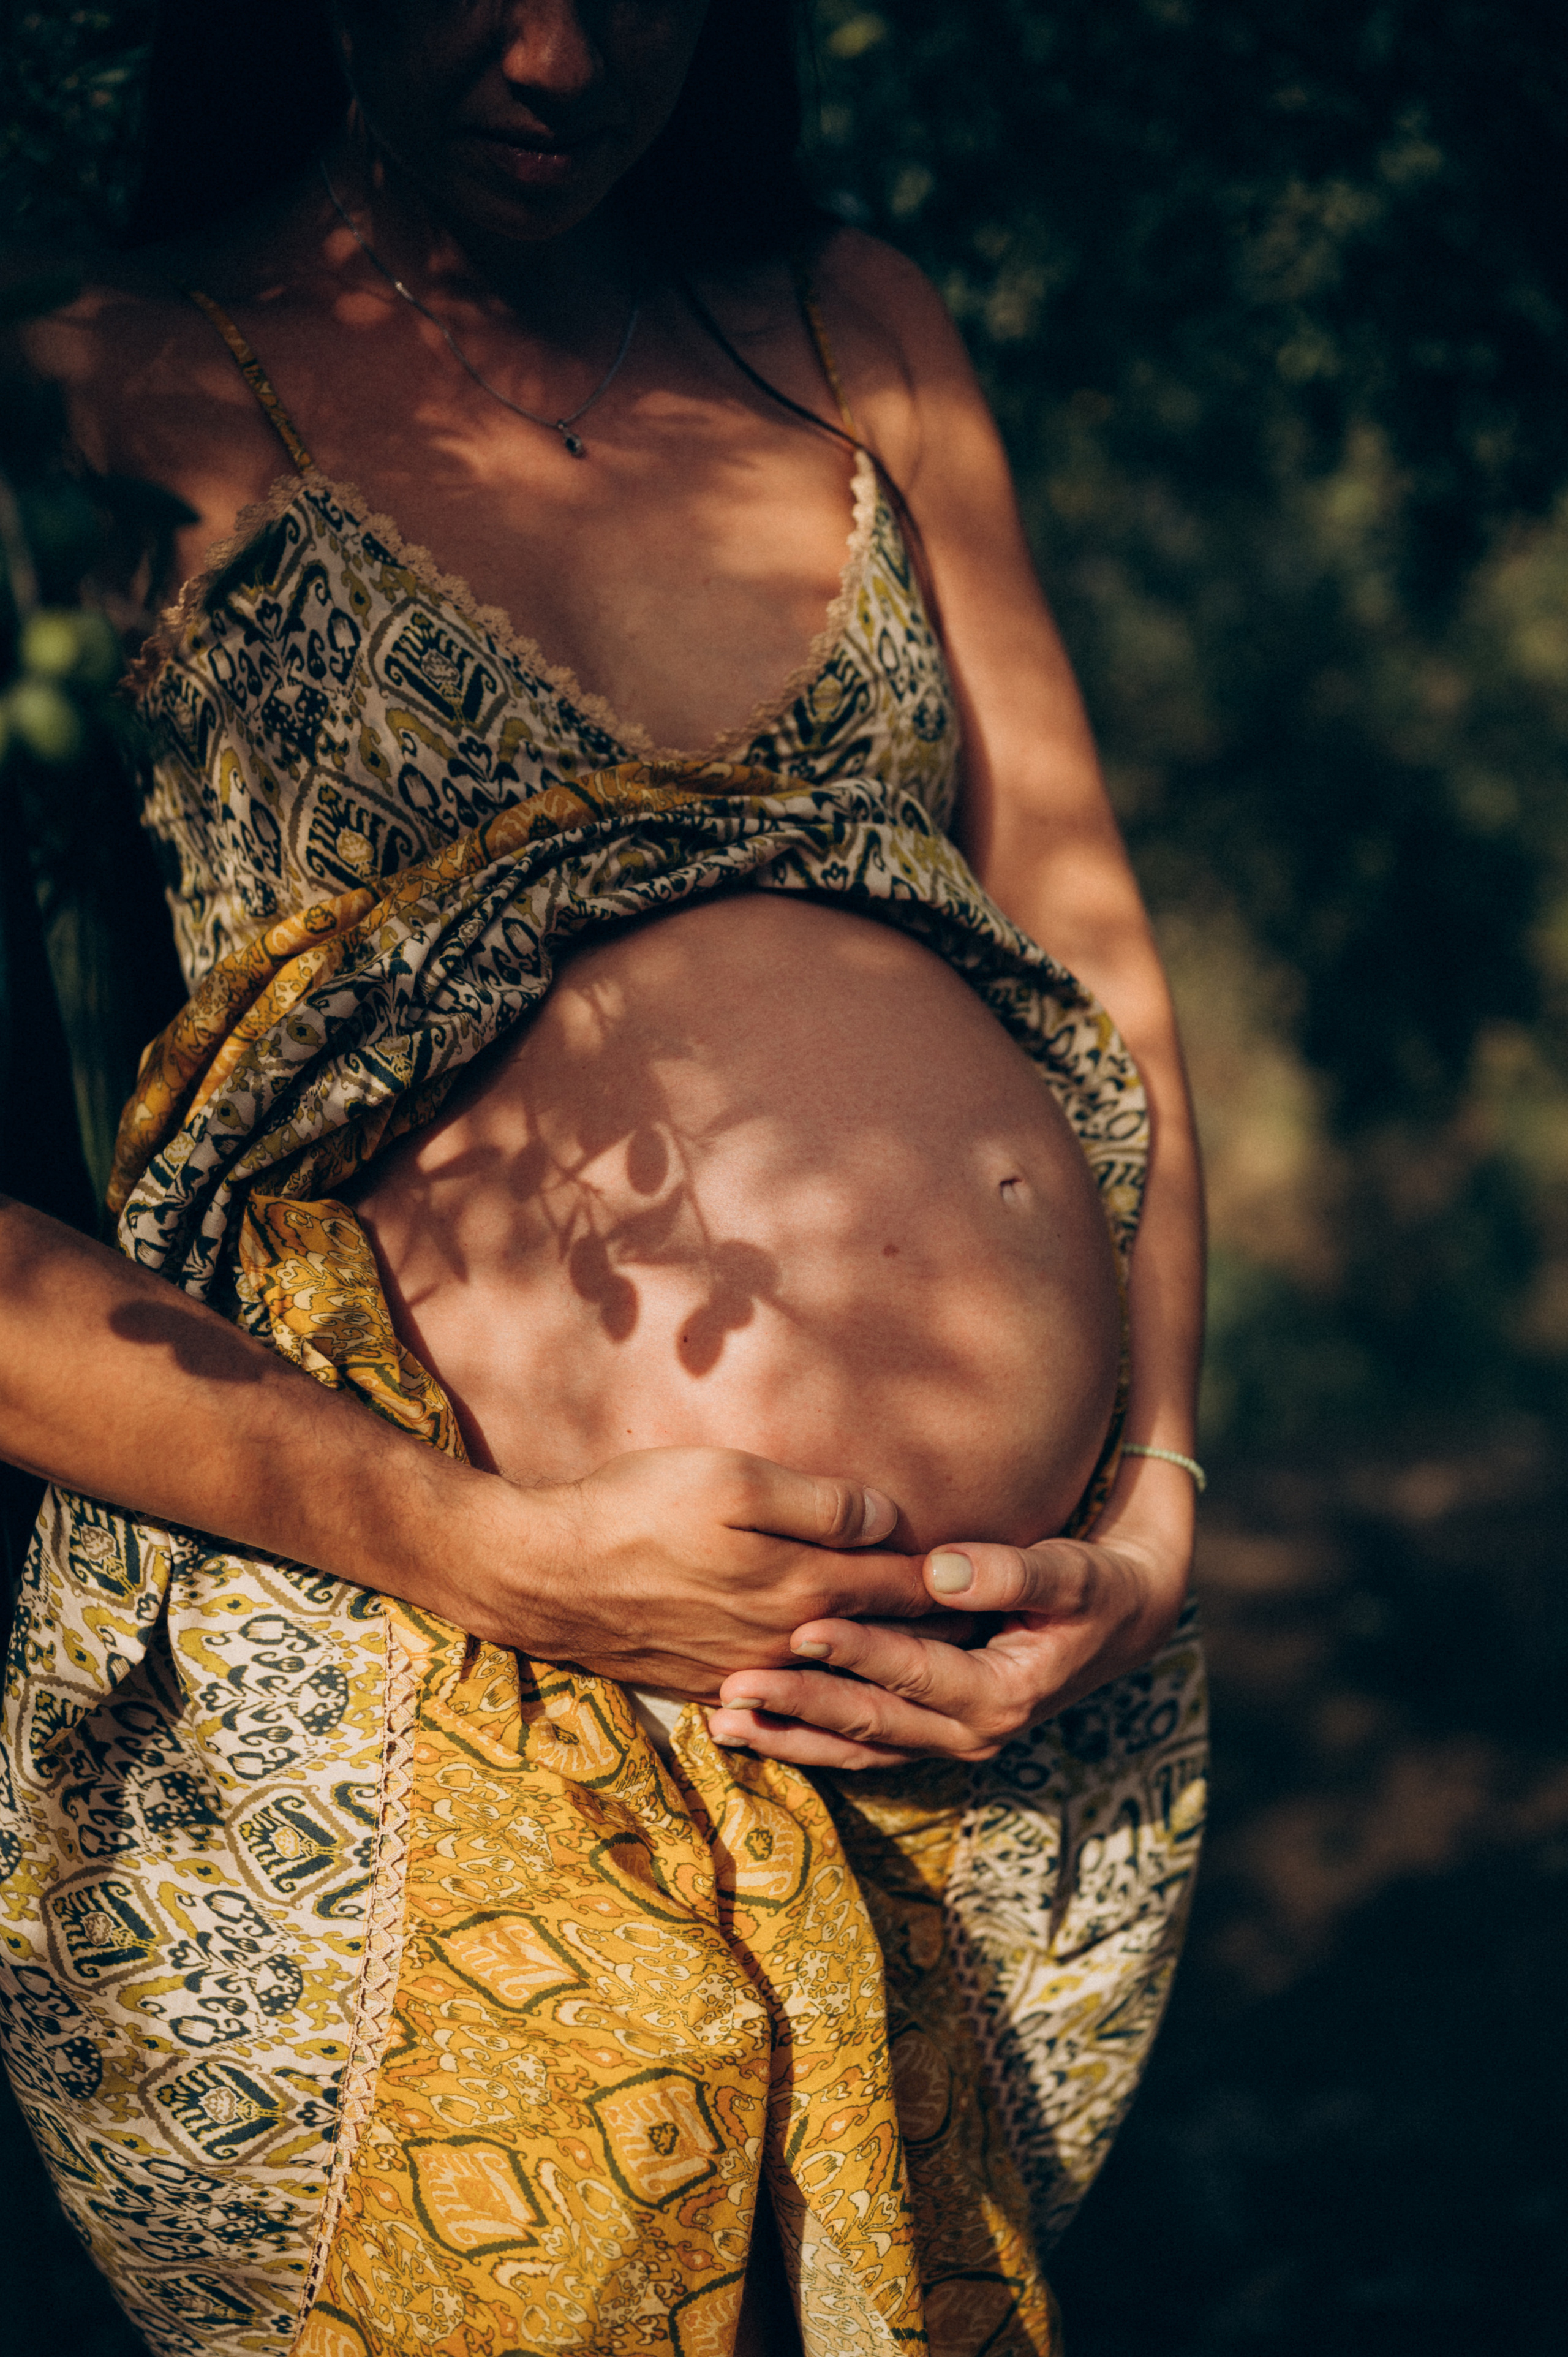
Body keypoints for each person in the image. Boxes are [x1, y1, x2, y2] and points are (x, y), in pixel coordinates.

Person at [1, 4, 1208, 2352]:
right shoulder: (85, 373)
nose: (558, 50)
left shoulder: (847, 328)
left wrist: (1155, 1496)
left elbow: (1081, 933)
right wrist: (477, 1544)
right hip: (414, 1671)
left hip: (976, 1703)